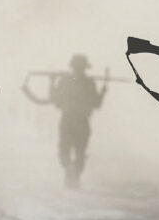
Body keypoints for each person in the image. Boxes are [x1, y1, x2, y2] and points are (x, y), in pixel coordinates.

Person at [21, 54, 107, 188]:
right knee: (79, 151)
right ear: (84, 67)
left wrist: (52, 82)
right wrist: (103, 89)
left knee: (67, 150)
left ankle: (70, 172)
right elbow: (97, 103)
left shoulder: (66, 80)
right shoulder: (88, 83)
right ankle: (74, 175)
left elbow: (54, 98)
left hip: (68, 121)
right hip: (81, 122)